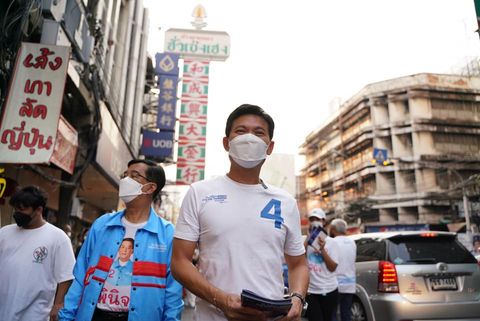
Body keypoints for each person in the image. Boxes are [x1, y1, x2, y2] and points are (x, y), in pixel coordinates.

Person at [172, 104, 309, 321]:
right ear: (226, 142)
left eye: (258, 133)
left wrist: (298, 299)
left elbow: (298, 264)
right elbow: (179, 261)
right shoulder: (200, 193)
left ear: (269, 146)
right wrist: (221, 300)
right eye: (241, 131)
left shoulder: (285, 202)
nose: (249, 138)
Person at [59, 159, 183, 321]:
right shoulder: (102, 225)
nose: (125, 180)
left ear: (150, 187)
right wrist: (66, 316)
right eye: (125, 175)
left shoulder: (166, 234)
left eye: (134, 176)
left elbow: (173, 292)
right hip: (95, 315)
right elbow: (81, 275)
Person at [0, 186, 75, 321]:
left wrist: (58, 305)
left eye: (23, 209)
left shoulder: (58, 238)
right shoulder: (4, 233)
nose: (18, 213)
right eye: (16, 209)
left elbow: (67, 276)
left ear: (39, 210)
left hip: (35, 314)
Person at [304, 208, 340, 321]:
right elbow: (298, 259)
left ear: (323, 221)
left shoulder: (332, 242)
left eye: (317, 219)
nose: (314, 221)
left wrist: (322, 250)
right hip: (312, 291)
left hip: (329, 289)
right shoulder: (306, 242)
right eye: (312, 219)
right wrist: (307, 239)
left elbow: (332, 267)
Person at [330, 219, 356, 321]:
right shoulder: (352, 242)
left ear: (332, 229)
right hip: (350, 285)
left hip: (336, 285)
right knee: (346, 314)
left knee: (332, 314)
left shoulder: (333, 242)